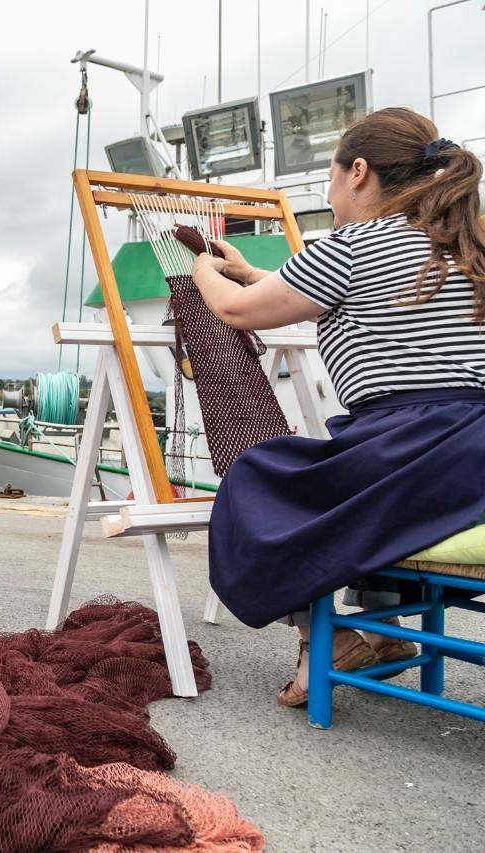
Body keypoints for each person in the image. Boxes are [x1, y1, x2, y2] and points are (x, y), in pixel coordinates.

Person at [185, 107, 485, 707]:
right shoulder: (466, 247)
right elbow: (337, 287)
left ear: (358, 173)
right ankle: (386, 628)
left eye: (329, 176)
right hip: (472, 456)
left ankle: (332, 636)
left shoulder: (350, 244)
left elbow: (240, 312)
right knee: (350, 482)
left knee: (257, 480)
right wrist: (252, 272)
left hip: (413, 445)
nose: (329, 190)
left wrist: (203, 274)